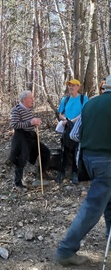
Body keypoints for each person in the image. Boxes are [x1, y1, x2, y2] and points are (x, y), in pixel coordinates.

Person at [55, 74, 111, 266]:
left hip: (89, 160)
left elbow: (75, 134)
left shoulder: (90, 104)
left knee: (108, 202)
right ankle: (66, 250)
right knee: (93, 206)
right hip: (107, 162)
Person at [9, 90, 51, 190]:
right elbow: (15, 125)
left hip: (31, 136)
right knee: (21, 159)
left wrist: (35, 122)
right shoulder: (17, 110)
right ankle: (18, 183)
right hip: (21, 137)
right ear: (24, 100)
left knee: (45, 151)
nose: (33, 100)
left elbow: (30, 121)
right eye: (31, 98)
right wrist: (31, 122)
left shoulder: (28, 109)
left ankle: (41, 173)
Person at [56, 79, 89, 184]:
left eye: (74, 86)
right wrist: (64, 120)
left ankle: (75, 173)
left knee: (76, 151)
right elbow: (60, 113)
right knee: (64, 149)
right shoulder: (65, 99)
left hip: (78, 129)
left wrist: (71, 121)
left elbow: (84, 113)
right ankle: (62, 172)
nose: (71, 87)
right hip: (66, 129)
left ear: (78, 87)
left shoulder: (83, 99)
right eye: (70, 86)